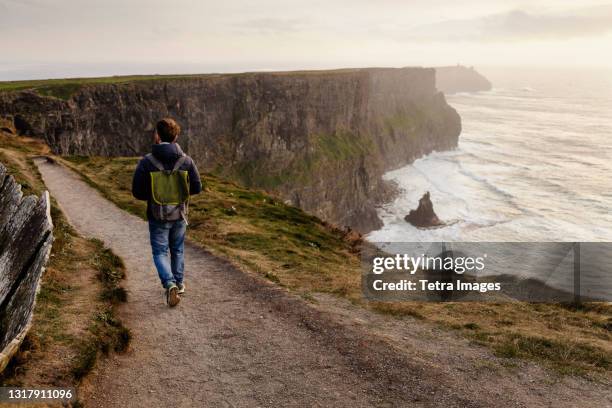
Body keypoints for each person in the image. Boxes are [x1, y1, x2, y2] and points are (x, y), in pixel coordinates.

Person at [132, 118, 202, 306]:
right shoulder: (187, 161)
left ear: (157, 136)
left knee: (160, 252)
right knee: (177, 249)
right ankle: (178, 284)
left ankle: (169, 283)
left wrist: (156, 194)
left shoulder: (147, 162)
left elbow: (137, 192)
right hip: (180, 214)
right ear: (176, 136)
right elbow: (196, 188)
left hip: (157, 215)